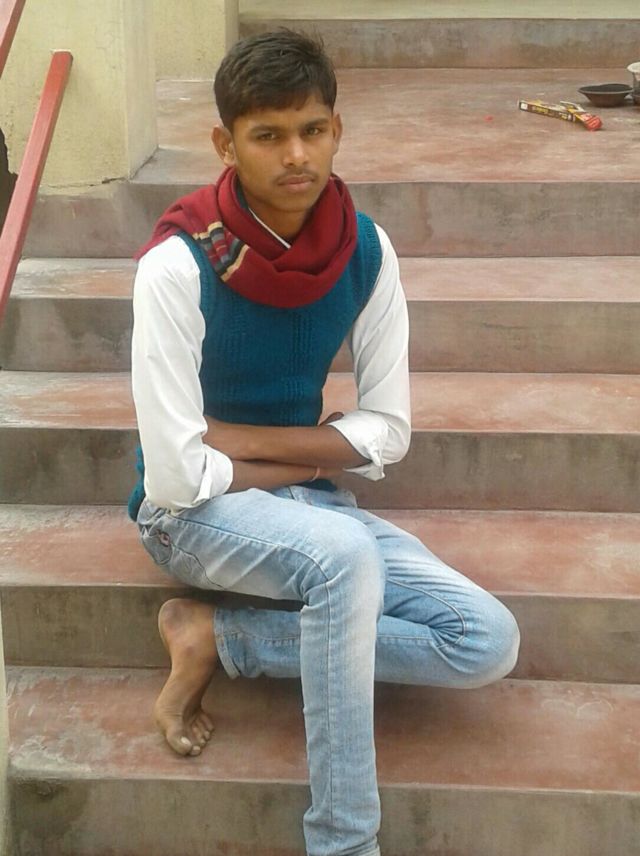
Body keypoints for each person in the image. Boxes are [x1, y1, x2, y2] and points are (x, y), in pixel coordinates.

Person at [129, 29, 520, 856]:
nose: (296, 155)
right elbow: (176, 472)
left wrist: (276, 453)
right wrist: (318, 452)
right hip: (186, 518)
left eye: (313, 130)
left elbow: (390, 429)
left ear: (337, 129)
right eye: (268, 135)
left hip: (303, 497)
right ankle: (344, 841)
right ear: (225, 144)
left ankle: (220, 637)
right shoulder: (178, 264)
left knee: (485, 640)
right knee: (344, 556)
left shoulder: (365, 251)